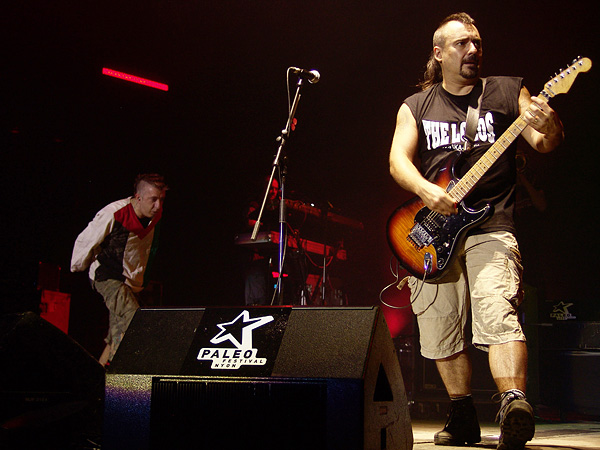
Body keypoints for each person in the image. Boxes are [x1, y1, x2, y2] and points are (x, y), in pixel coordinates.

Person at [388, 13, 563, 450]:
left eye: (478, 43)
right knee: (440, 325)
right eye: (462, 43)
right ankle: (462, 413)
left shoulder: (505, 90)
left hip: (492, 222)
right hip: (431, 228)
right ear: (438, 52)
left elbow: (544, 142)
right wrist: (428, 192)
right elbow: (397, 161)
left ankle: (513, 405)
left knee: (498, 311)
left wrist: (548, 121)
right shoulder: (416, 105)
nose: (473, 50)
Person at [70, 173, 168, 366]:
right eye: (153, 200)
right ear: (138, 198)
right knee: (133, 318)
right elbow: (87, 239)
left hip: (127, 280)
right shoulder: (115, 213)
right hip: (106, 276)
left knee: (117, 333)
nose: (158, 206)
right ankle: (118, 375)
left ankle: (99, 381)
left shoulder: (155, 216)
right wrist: (77, 265)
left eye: (161, 200)